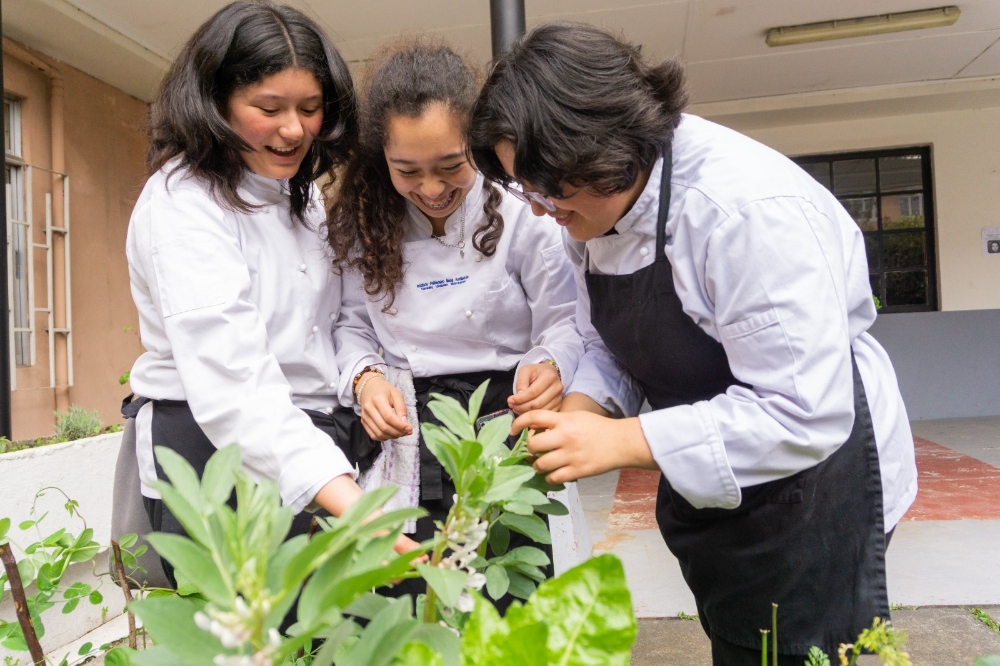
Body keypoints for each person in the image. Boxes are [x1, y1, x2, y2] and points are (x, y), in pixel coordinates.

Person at [469, 22, 917, 664]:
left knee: (797, 649)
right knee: (741, 638)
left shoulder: (744, 212)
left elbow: (802, 411)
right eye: (525, 188)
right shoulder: (591, 210)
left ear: (601, 149)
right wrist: (581, 412)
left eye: (549, 188)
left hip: (814, 479)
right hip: (718, 474)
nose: (538, 210)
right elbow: (607, 337)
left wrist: (622, 440)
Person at [124, 0, 417, 570]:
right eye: (269, 108)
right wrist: (353, 506)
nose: (294, 129)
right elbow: (236, 389)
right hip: (218, 457)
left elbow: (329, 324)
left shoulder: (297, 197)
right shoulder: (183, 205)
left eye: (310, 108)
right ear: (215, 103)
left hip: (308, 449)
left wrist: (365, 378)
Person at [326, 40, 582, 606]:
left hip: (502, 421)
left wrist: (551, 363)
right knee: (412, 597)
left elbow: (567, 318)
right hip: (406, 425)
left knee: (508, 595)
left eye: (451, 166)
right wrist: (366, 378)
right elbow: (349, 325)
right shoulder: (362, 222)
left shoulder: (524, 214)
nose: (432, 189)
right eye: (407, 171)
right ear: (381, 158)